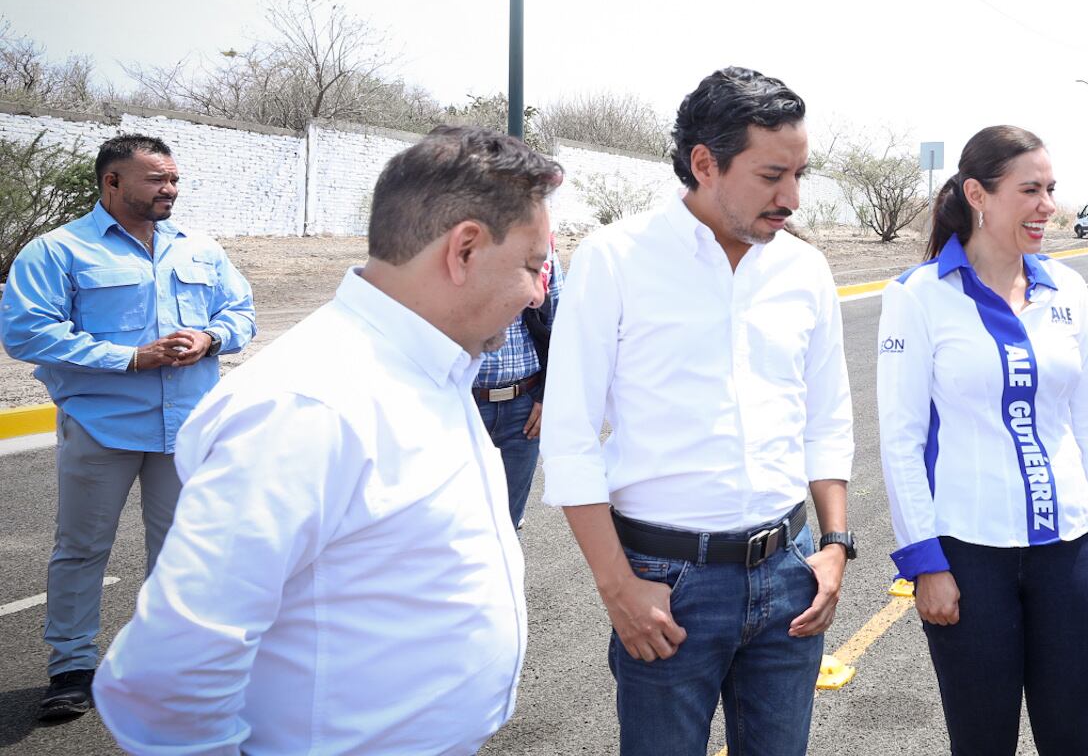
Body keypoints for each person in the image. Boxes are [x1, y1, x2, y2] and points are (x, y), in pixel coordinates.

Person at [90, 126, 558, 752]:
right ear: (464, 250)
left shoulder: (427, 370)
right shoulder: (309, 405)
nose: (538, 293)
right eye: (533, 265)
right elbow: (165, 681)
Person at [542, 66, 855, 756]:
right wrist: (618, 587)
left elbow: (827, 417)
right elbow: (567, 440)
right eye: (773, 175)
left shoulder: (803, 270)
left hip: (791, 577)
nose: (792, 197)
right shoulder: (616, 260)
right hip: (666, 586)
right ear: (705, 164)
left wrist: (834, 549)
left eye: (800, 173)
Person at [877, 125, 1088, 755]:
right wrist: (924, 562)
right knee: (982, 741)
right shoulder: (917, 297)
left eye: (1051, 189)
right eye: (1030, 190)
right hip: (969, 554)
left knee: (1074, 739)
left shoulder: (1066, 290)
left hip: (1071, 546)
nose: (1048, 205)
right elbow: (901, 442)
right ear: (978, 194)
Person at [0, 134, 255, 721]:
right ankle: (70, 666)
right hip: (102, 426)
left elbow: (240, 313)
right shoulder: (57, 251)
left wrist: (210, 337)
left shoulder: (200, 248)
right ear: (111, 183)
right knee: (82, 549)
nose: (170, 190)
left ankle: (166, 664)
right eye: (156, 180)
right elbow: (26, 332)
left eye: (174, 179)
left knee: (181, 550)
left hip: (187, 427)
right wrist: (130, 357)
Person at [471, 240, 558, 527]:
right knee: (455, 526)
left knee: (508, 523)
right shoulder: (456, 242)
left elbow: (562, 328)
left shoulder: (541, 247)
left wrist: (547, 396)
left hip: (525, 407)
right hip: (464, 405)